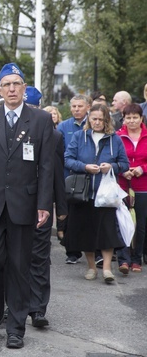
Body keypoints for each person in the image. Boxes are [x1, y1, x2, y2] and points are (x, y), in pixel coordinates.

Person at [0, 63, 54, 349]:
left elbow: (46, 166)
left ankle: (16, 328)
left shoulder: (40, 120)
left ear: (25, 88)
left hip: (24, 205)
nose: (12, 89)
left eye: (17, 84)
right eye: (7, 84)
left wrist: (44, 203)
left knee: (19, 267)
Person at [64, 103, 129, 284]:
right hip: (84, 193)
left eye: (101, 119)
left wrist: (111, 167)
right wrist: (84, 167)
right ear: (89, 119)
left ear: (106, 119)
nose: (97, 122)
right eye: (94, 119)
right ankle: (92, 267)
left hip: (106, 195)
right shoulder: (79, 136)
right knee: (87, 232)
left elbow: (124, 164)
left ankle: (107, 269)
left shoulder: (114, 139)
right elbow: (68, 159)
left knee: (107, 232)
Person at [24, 87, 67, 329]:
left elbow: (57, 174)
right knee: (16, 259)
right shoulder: (8, 131)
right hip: (14, 205)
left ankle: (38, 309)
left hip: (41, 206)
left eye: (33, 107)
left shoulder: (55, 136)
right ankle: (16, 304)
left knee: (40, 259)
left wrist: (61, 208)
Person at [57, 94, 91, 264]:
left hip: (90, 176)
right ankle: (72, 252)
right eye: (74, 106)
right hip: (69, 176)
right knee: (70, 215)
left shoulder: (93, 124)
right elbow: (59, 151)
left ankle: (95, 251)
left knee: (90, 214)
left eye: (80, 106)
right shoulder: (63, 127)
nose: (76, 109)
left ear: (88, 107)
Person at [116, 104, 147, 272]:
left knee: (140, 224)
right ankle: (124, 259)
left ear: (141, 118)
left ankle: (137, 258)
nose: (132, 121)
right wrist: (123, 170)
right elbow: (113, 158)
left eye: (135, 117)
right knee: (123, 222)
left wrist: (143, 168)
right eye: (128, 117)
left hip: (143, 186)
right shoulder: (117, 136)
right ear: (124, 119)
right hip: (123, 185)